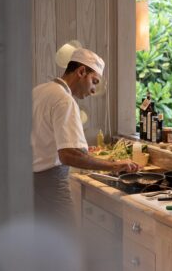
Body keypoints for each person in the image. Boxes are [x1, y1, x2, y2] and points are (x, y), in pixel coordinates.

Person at [31, 48, 139, 222]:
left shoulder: (39, 91)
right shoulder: (64, 100)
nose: (93, 90)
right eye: (94, 81)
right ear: (81, 71)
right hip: (49, 186)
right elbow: (68, 155)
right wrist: (114, 165)